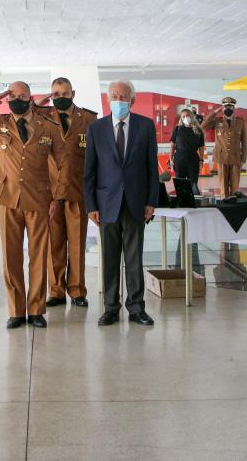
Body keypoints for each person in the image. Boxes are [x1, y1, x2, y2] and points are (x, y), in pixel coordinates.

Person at [0, 81, 66, 329]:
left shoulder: (48, 126)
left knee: (38, 255)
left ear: (31, 98)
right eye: (13, 96)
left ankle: (36, 310)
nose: (18, 99)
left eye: (23, 95)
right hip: (7, 197)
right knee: (11, 256)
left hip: (39, 199)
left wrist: (57, 198)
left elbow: (62, 164)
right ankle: (16, 310)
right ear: (7, 99)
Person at [85, 80, 158, 327]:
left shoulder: (146, 127)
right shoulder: (96, 129)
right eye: (114, 96)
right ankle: (110, 308)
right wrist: (91, 205)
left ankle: (137, 308)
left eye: (123, 96)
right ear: (108, 100)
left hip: (136, 202)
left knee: (134, 258)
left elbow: (151, 168)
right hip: (106, 204)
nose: (119, 100)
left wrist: (151, 201)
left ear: (132, 100)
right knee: (109, 258)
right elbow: (90, 171)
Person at [42, 77, 97, 308]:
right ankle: (56, 291)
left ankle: (77, 290)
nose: (60, 98)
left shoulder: (89, 119)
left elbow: (97, 159)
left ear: (73, 93)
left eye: (64, 93)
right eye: (55, 94)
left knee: (76, 244)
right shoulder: (42, 118)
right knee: (53, 245)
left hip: (77, 191)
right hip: (50, 194)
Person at [202, 97, 247, 198]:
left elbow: (244, 142)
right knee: (223, 184)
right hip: (221, 157)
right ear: (222, 108)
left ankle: (234, 203)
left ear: (234, 108)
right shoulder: (217, 121)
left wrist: (243, 158)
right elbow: (203, 125)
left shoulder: (241, 122)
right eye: (225, 106)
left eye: (230, 106)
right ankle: (224, 202)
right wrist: (215, 112)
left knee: (235, 185)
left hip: (236, 157)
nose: (228, 109)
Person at [169, 107, 205, 194]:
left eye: (188, 115)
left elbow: (201, 147)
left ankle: (193, 201)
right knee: (180, 183)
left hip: (193, 160)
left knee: (193, 184)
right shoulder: (177, 129)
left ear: (192, 116)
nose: (186, 118)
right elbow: (172, 144)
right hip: (179, 159)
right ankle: (181, 202)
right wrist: (170, 158)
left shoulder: (198, 130)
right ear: (181, 118)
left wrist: (201, 160)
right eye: (183, 116)